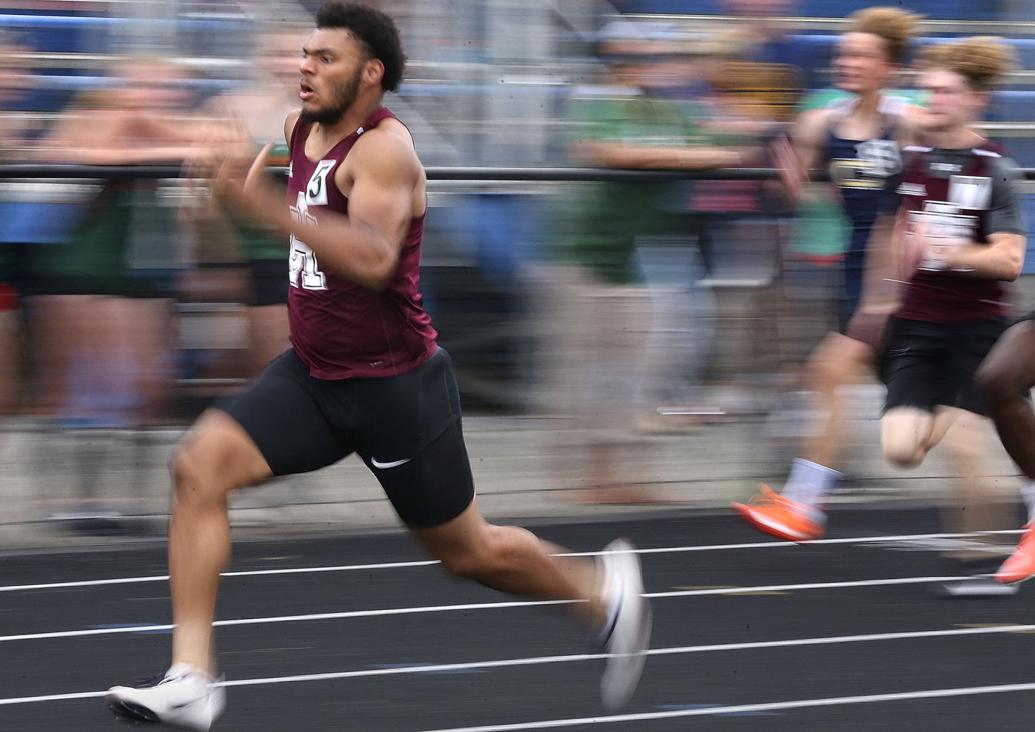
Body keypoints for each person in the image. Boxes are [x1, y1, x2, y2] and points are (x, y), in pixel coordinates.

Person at [105, 5, 651, 729]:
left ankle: (600, 591)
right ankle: (192, 678)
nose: (304, 67)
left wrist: (260, 208)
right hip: (312, 373)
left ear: (370, 74)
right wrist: (209, 196)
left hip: (395, 390)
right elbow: (269, 214)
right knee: (198, 464)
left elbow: (371, 258)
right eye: (304, 53)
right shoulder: (302, 130)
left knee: (467, 552)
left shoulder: (386, 150)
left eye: (323, 58)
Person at [734, 7, 921, 540]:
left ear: (889, 66)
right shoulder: (823, 121)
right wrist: (787, 174)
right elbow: (792, 180)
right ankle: (804, 502)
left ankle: (804, 503)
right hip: (854, 266)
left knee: (829, 373)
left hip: (900, 274)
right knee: (946, 413)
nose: (849, 62)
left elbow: (919, 202)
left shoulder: (906, 122)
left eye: (863, 55)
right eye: (844, 53)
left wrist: (889, 288)